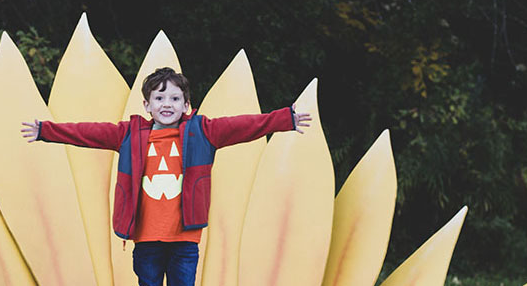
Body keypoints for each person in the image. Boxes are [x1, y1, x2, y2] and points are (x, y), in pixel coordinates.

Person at [20, 67, 311, 286]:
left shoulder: (203, 131)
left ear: (186, 105)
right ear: (147, 105)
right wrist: (46, 131)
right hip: (145, 239)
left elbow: (245, 125)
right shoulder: (129, 135)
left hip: (185, 237)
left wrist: (285, 119)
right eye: (159, 98)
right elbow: (88, 133)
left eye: (175, 98)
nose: (167, 104)